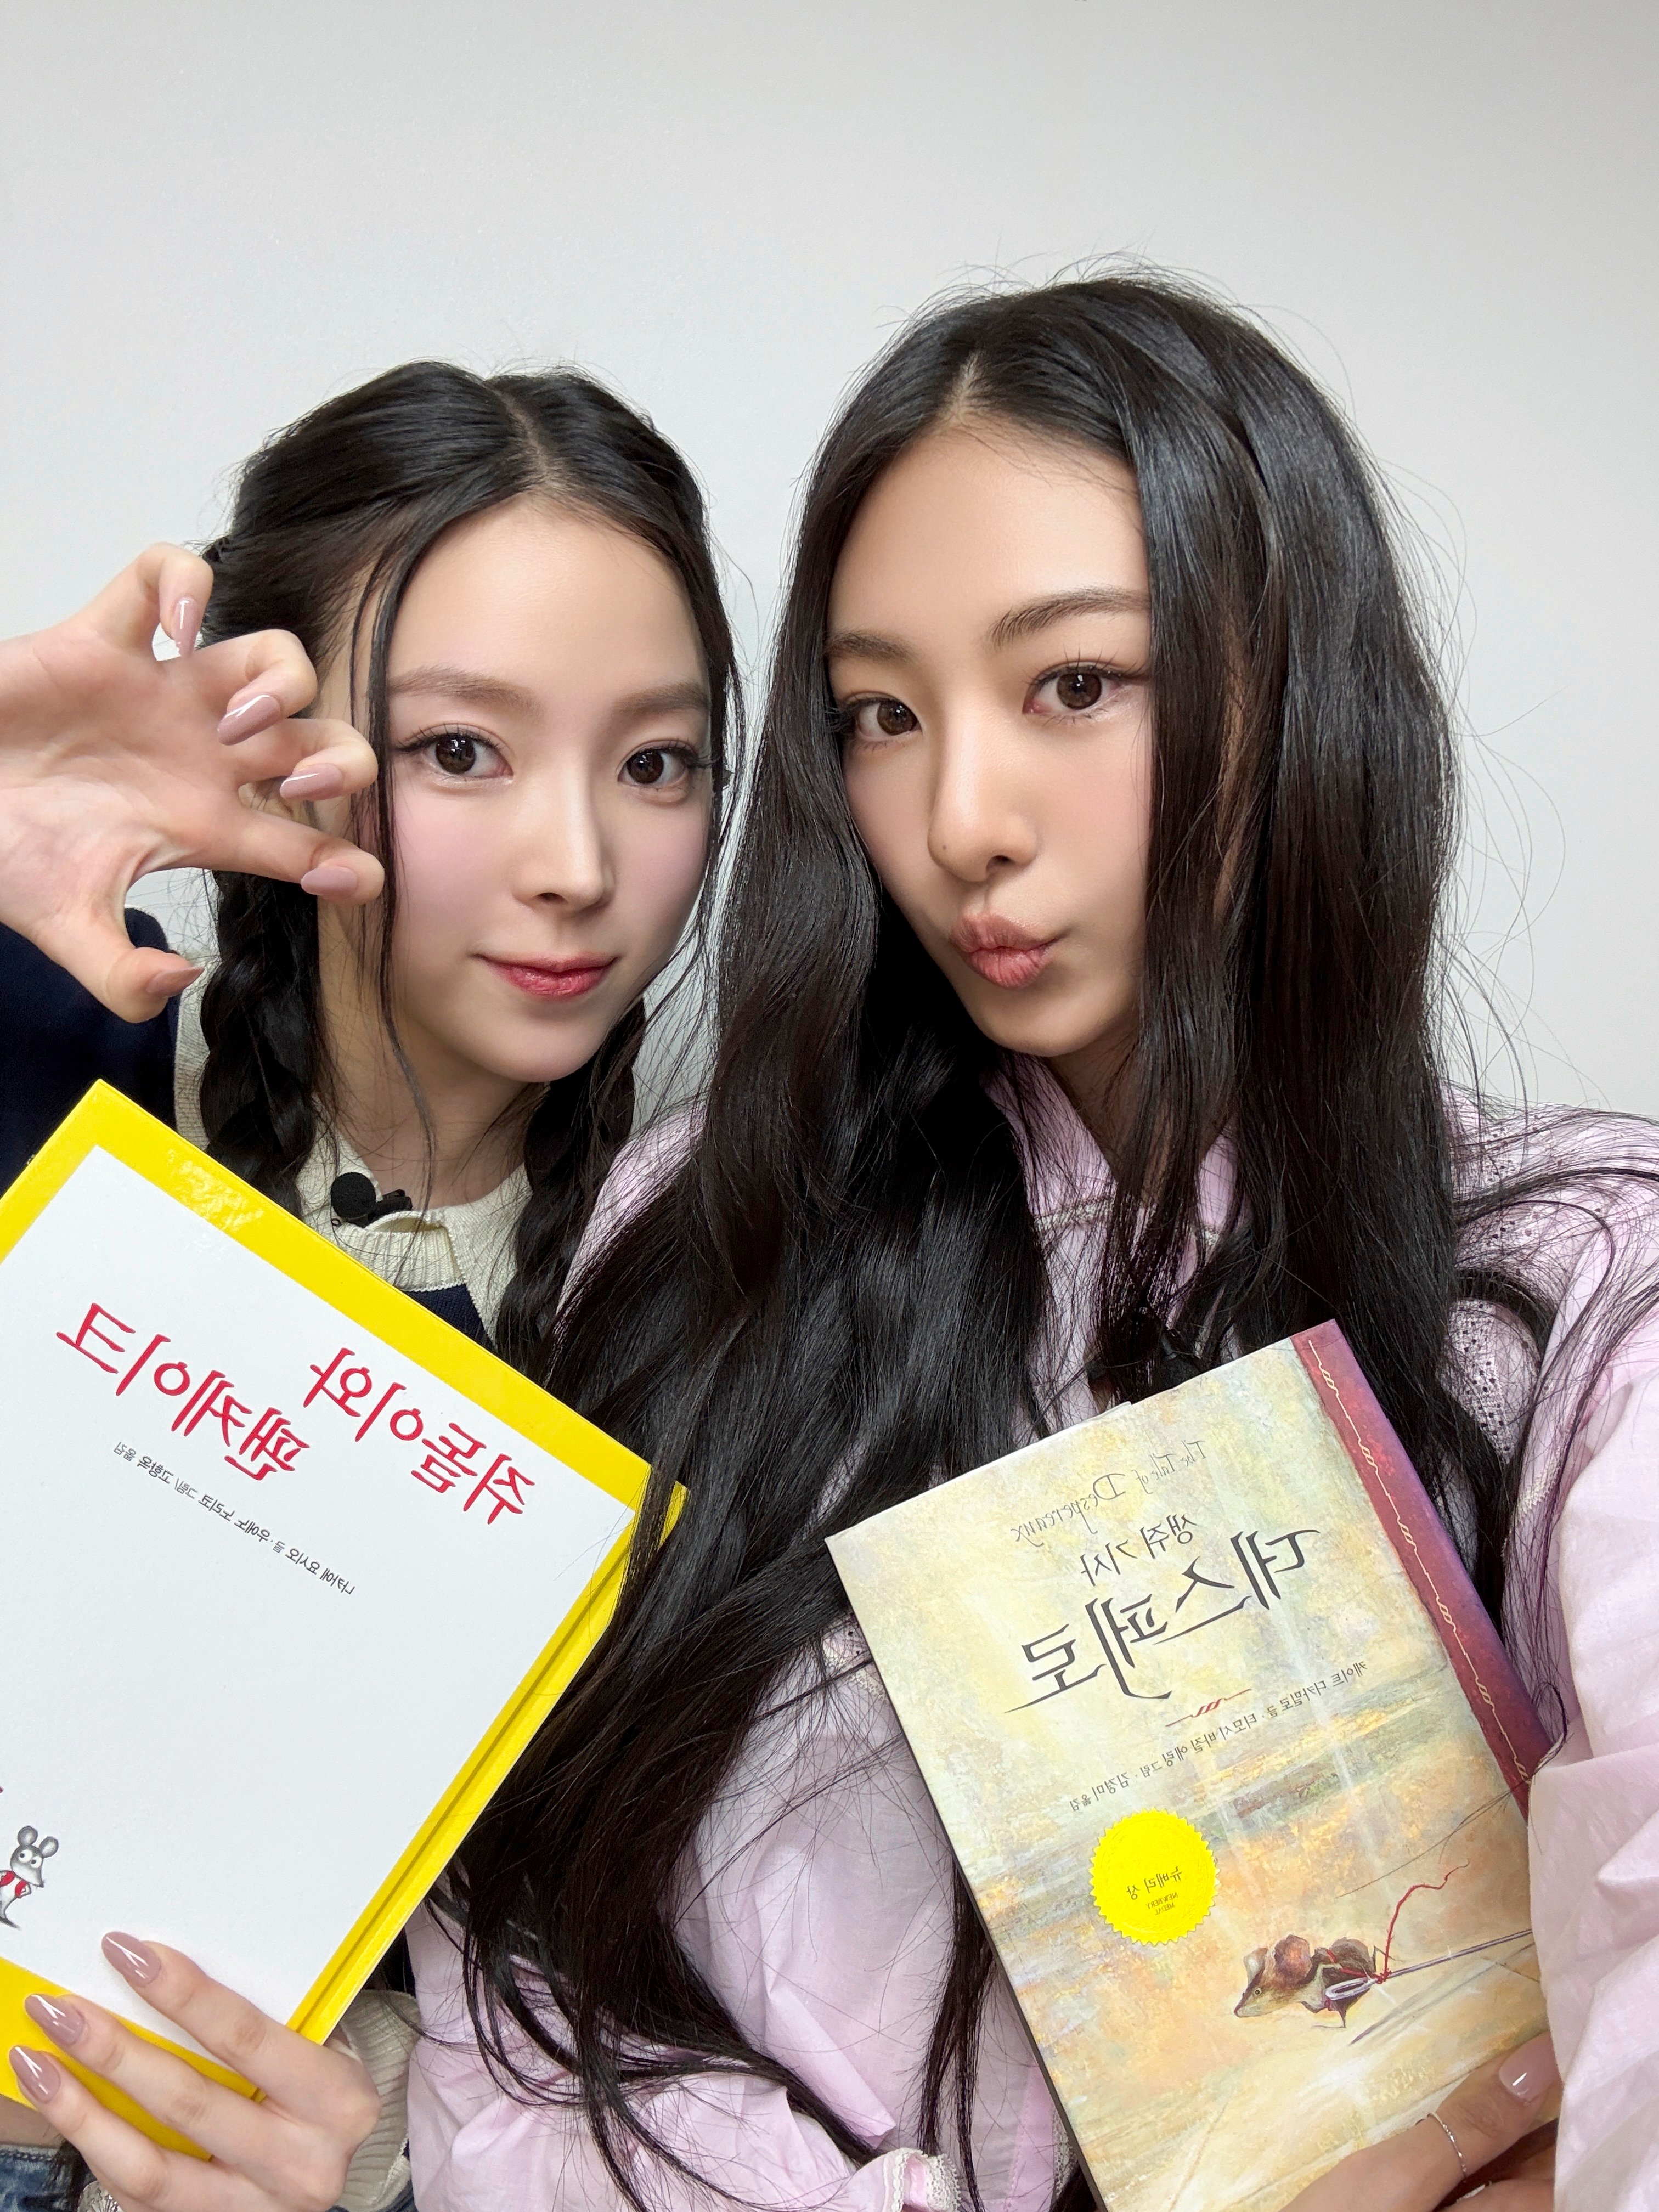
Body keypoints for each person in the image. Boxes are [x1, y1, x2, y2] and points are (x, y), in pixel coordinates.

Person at [411, 275, 1650, 2209]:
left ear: (1299, 680)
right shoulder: (697, 1236)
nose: (960, 818)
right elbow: (520, 1995)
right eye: (881, 716)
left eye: (1075, 684)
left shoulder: (1579, 1286)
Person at [0, 356, 735, 2211]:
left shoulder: (733, 1325)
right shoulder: (45, 1063)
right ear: (275, 744)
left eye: (655, 762)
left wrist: (381, 2179)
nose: (579, 866)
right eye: (462, 750)